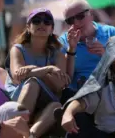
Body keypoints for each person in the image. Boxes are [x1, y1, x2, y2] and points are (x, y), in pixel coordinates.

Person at [5, 8, 69, 137]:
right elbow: (18, 77)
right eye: (36, 21)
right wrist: (48, 69)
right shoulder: (17, 49)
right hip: (18, 95)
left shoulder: (58, 53)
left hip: (45, 99)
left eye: (47, 22)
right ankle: (14, 131)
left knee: (56, 106)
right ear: (28, 27)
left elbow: (59, 85)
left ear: (52, 29)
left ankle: (30, 136)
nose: (41, 24)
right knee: (32, 83)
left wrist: (31, 70)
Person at [59, 0, 115, 91]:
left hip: (108, 88)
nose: (76, 22)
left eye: (80, 16)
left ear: (91, 13)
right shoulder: (64, 41)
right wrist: (72, 48)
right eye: (70, 20)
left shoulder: (111, 32)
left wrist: (105, 55)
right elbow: (66, 80)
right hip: (78, 91)